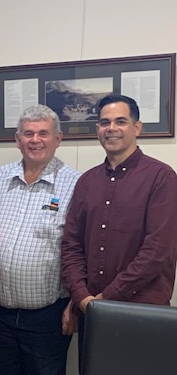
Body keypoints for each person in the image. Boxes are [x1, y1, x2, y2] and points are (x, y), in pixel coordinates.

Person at [0, 105, 80, 375]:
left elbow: (79, 249)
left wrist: (75, 302)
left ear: (58, 139)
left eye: (43, 133)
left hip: (48, 317)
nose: (35, 140)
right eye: (28, 133)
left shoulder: (74, 184)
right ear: (17, 139)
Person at [61, 94, 177, 353]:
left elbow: (158, 250)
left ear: (137, 127)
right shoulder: (87, 182)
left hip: (142, 313)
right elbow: (71, 245)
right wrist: (82, 298)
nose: (111, 128)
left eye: (120, 121)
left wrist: (105, 300)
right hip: (91, 313)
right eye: (104, 122)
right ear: (97, 130)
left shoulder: (162, 178)